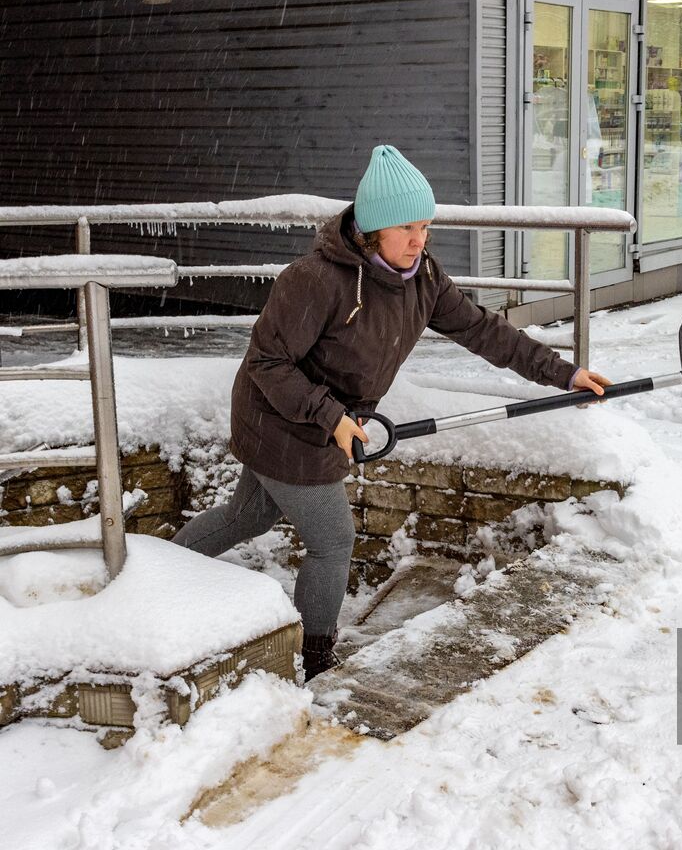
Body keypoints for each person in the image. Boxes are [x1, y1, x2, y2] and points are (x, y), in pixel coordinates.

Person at [173, 145, 611, 680]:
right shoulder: (315, 279)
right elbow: (268, 361)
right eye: (406, 227)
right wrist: (330, 416)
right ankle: (313, 662)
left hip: (328, 421)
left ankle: (160, 574)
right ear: (373, 228)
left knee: (250, 516)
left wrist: (561, 372)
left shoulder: (422, 276)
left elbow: (481, 329)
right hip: (283, 421)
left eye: (425, 225)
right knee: (333, 542)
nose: (419, 240)